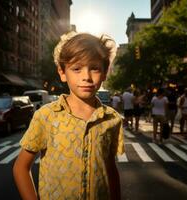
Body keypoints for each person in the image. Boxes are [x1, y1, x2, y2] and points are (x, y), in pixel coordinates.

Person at [13, 32, 124, 200]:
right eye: (77, 69)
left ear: (105, 72)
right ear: (62, 73)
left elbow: (110, 168)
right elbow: (21, 167)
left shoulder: (112, 119)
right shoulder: (46, 116)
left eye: (94, 68)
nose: (86, 77)